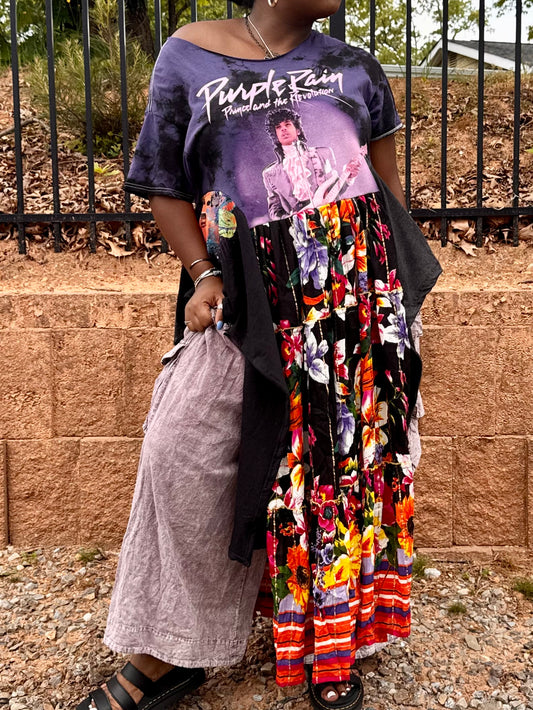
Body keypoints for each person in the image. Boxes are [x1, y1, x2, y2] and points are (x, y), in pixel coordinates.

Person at [75, 1, 442, 710]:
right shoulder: (188, 56)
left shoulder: (355, 66)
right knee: (181, 453)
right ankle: (170, 648)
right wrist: (202, 274)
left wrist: (393, 302)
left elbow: (387, 192)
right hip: (247, 290)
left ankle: (329, 642)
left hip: (351, 297)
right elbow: (163, 182)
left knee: (338, 466)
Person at [262, 107, 372, 219]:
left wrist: (348, 178)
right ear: (275, 135)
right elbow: (274, 211)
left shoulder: (323, 154)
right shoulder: (270, 174)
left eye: (287, 124)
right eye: (278, 127)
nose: (283, 129)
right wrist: (292, 218)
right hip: (299, 225)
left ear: (298, 130)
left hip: (330, 216)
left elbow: (335, 191)